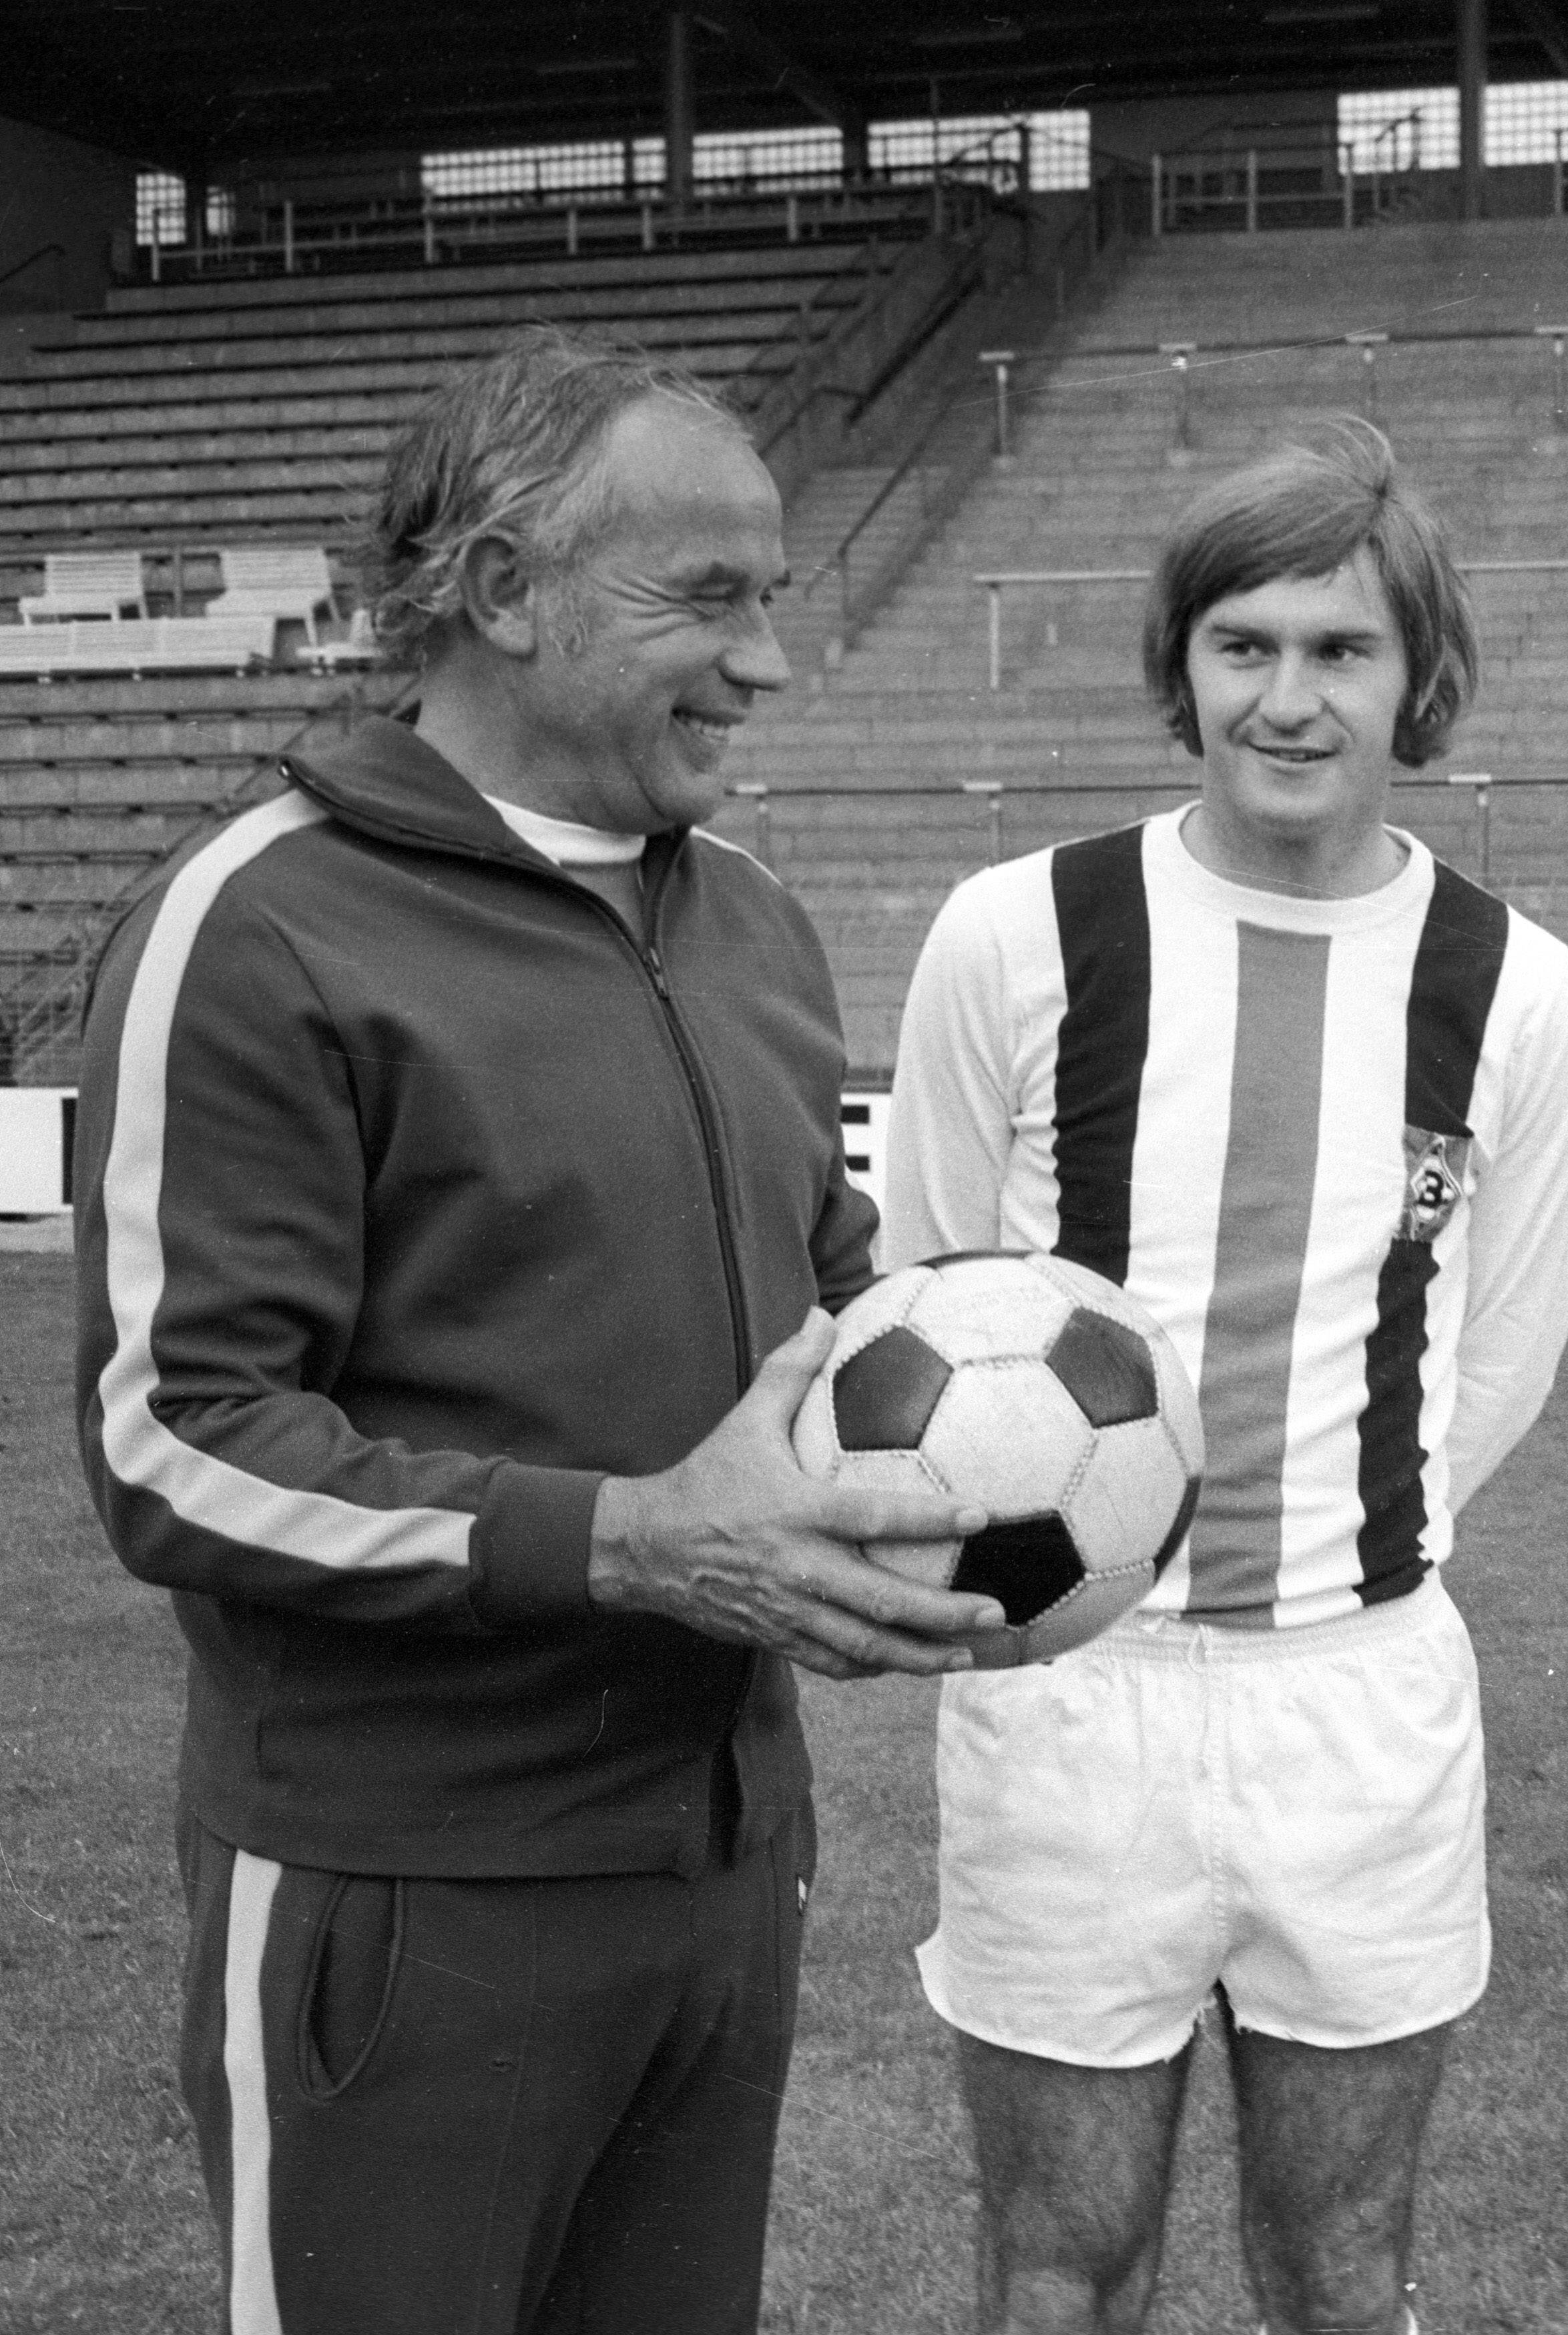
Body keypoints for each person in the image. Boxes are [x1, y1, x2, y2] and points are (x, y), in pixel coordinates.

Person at [72, 330, 1001, 2335]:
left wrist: (996, 1422)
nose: (767, 660)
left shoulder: (747, 914)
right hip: (407, 1899)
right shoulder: (258, 925)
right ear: (499, 591)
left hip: (724, 1871)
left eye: (774, 597)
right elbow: (176, 1437)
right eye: (708, 600)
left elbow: (831, 1286)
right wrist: (631, 1540)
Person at [882, 417, 1568, 2335]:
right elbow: (933, 1287)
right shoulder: (1017, 935)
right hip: (1069, 1697)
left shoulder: (1509, 982)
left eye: (1341, 651)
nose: (1289, 699)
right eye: (1245, 645)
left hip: (1357, 1702)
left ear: (1414, 678)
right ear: (1181, 666)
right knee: (1058, 2273)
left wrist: (1336, 1556)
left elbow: (1498, 1354)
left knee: (1344, 2278)